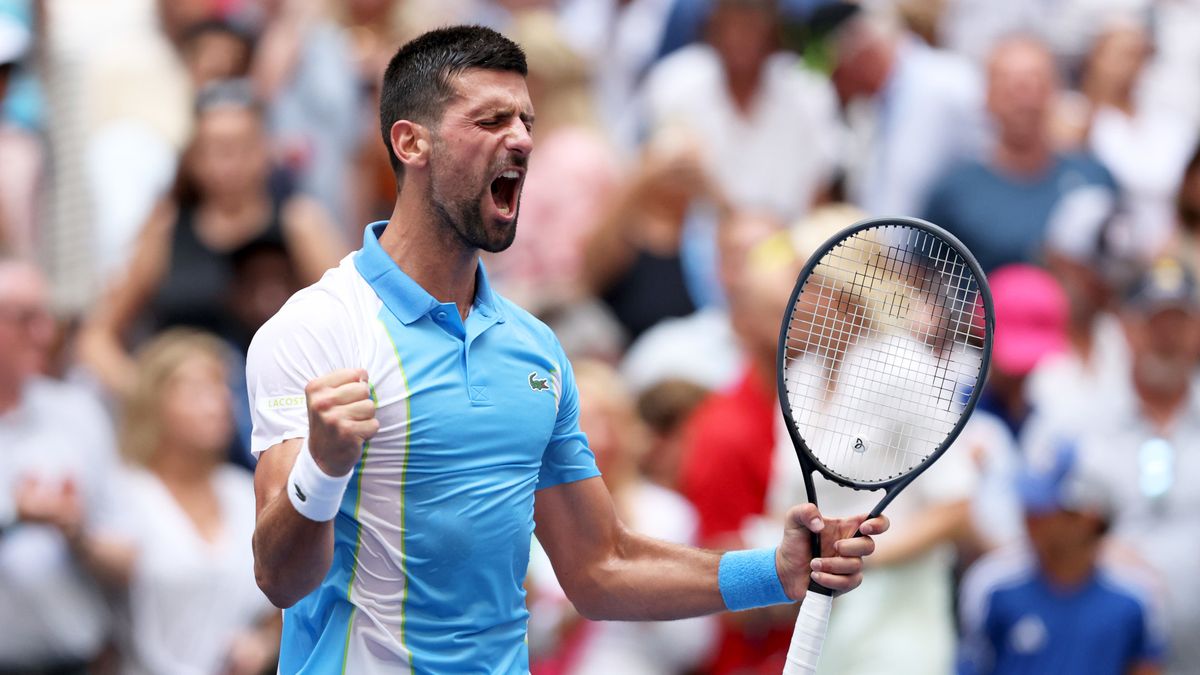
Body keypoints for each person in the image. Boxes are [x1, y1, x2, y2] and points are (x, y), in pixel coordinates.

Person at [246, 26, 888, 672]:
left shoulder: (536, 352)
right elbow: (280, 577)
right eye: (491, 120)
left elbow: (599, 565)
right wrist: (322, 470)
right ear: (411, 142)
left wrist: (773, 571)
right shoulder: (316, 329)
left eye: (527, 120)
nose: (522, 138)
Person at [1035, 257, 1200, 674]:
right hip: (1103, 650)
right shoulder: (1080, 420)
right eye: (1154, 322)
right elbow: (1027, 515)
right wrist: (1094, 551)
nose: (1167, 337)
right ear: (1127, 329)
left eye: (1179, 322)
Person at [112, 330, 279, 675]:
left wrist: (263, 644)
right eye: (198, 390)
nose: (218, 402)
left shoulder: (242, 489)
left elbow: (285, 594)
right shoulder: (124, 492)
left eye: (223, 388)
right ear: (154, 401)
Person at [0, 257, 124, 673]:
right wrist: (16, 513)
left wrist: (76, 532)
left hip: (76, 660)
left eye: (47, 317)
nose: (46, 334)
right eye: (25, 319)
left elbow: (127, 551)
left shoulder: (78, 412)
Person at [958, 449, 1166, 675]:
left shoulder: (1136, 594)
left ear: (1088, 518)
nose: (1029, 517)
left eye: (1043, 507)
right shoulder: (992, 585)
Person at [922, 35, 1116, 273]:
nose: (1023, 99)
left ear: (1055, 92)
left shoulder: (1095, 176)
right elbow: (921, 282)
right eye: (1010, 86)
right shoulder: (954, 191)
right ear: (987, 97)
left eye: (1035, 83)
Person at [832, 5, 987, 219]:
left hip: (953, 245)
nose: (840, 88)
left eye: (840, 74)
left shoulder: (950, 80)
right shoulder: (869, 112)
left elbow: (993, 163)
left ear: (865, 57)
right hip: (889, 248)